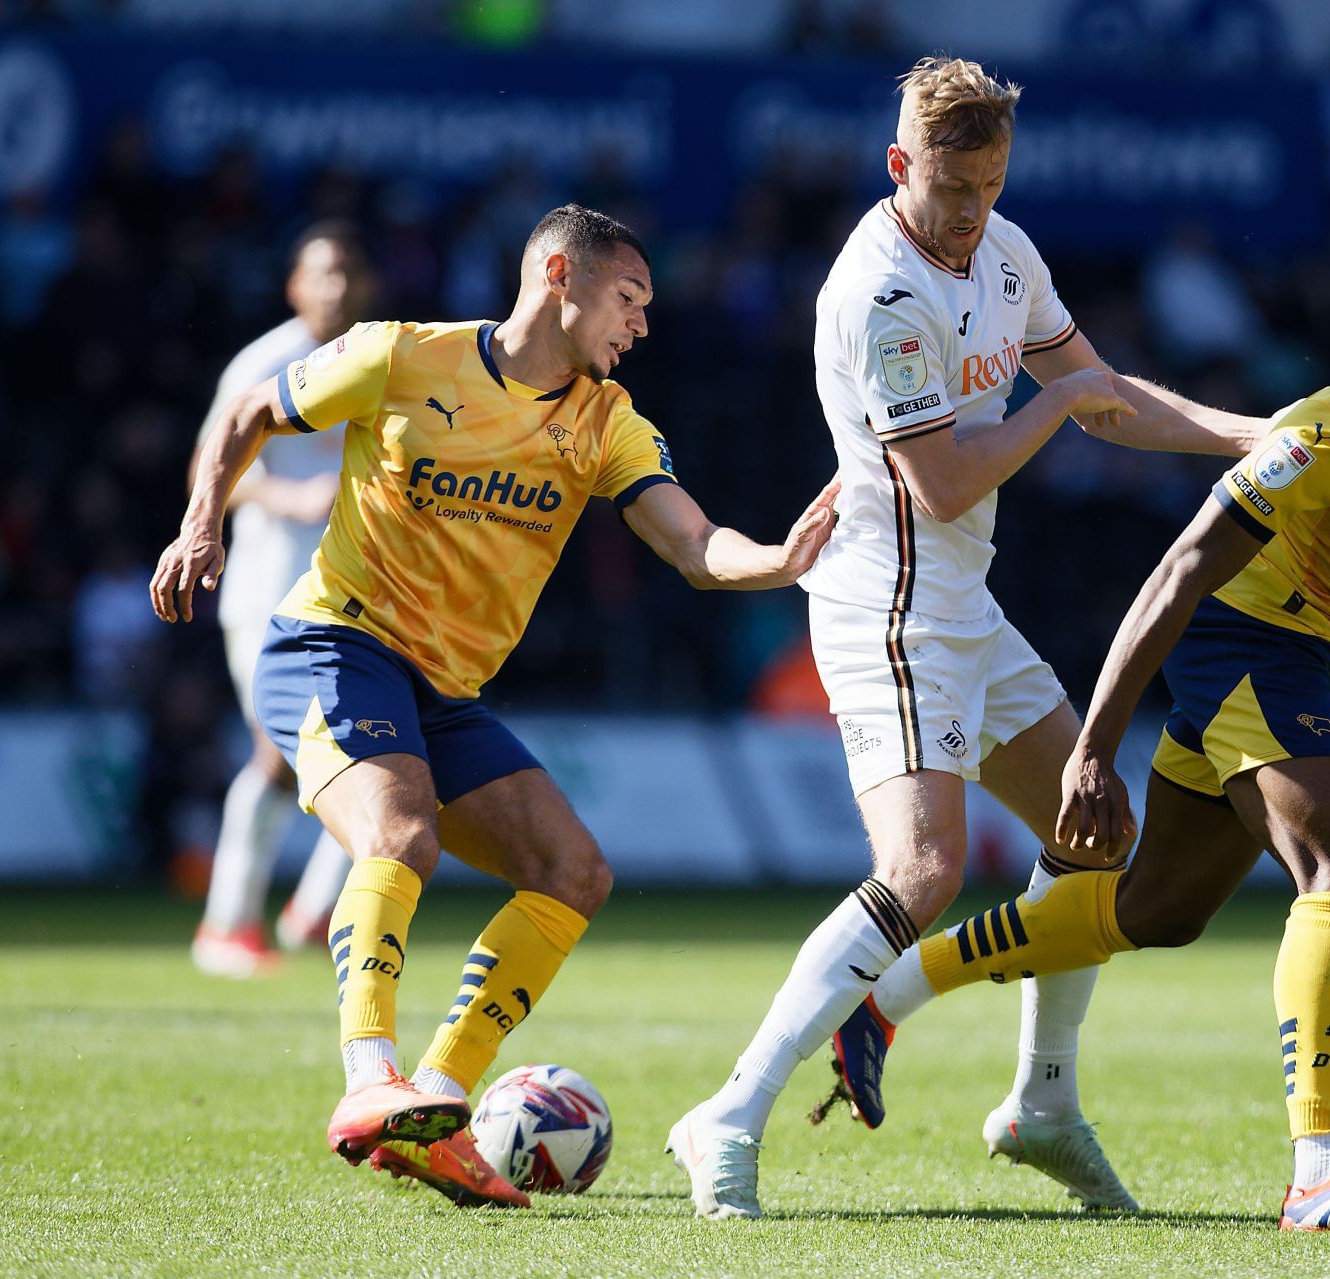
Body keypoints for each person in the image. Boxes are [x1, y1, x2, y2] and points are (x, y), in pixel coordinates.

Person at [665, 56, 1268, 1221]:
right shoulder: (880, 291)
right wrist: (1055, 404)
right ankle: (728, 1114)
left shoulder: (1006, 252)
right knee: (924, 870)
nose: (974, 210)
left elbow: (1108, 389)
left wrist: (1246, 434)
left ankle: (1042, 1105)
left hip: (964, 607)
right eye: (953, 188)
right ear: (902, 167)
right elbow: (943, 481)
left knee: (1096, 832)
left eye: (992, 184)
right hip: (885, 607)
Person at [150, 204, 839, 1209]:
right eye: (627, 298)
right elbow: (249, 411)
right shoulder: (402, 356)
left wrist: (774, 560)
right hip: (333, 643)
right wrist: (201, 523)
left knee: (574, 870)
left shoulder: (607, 420)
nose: (642, 324)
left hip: (443, 689)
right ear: (558, 273)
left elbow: (692, 544)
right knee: (402, 832)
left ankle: (431, 1105)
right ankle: (368, 1079)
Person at [851, 300, 1330, 1231]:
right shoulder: (1319, 437)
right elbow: (1177, 576)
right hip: (1242, 634)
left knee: (1159, 911)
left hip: (1311, 650)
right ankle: (1320, 1168)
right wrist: (1095, 751)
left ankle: (887, 997)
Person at [190, 220, 373, 978]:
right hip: (268, 587)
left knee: (374, 742)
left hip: (346, 589)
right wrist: (286, 493)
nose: (335, 287)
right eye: (320, 273)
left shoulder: (375, 360)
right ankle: (228, 923)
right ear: (295, 285)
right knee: (279, 753)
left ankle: (311, 909)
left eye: (348, 273)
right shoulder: (266, 362)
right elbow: (212, 464)